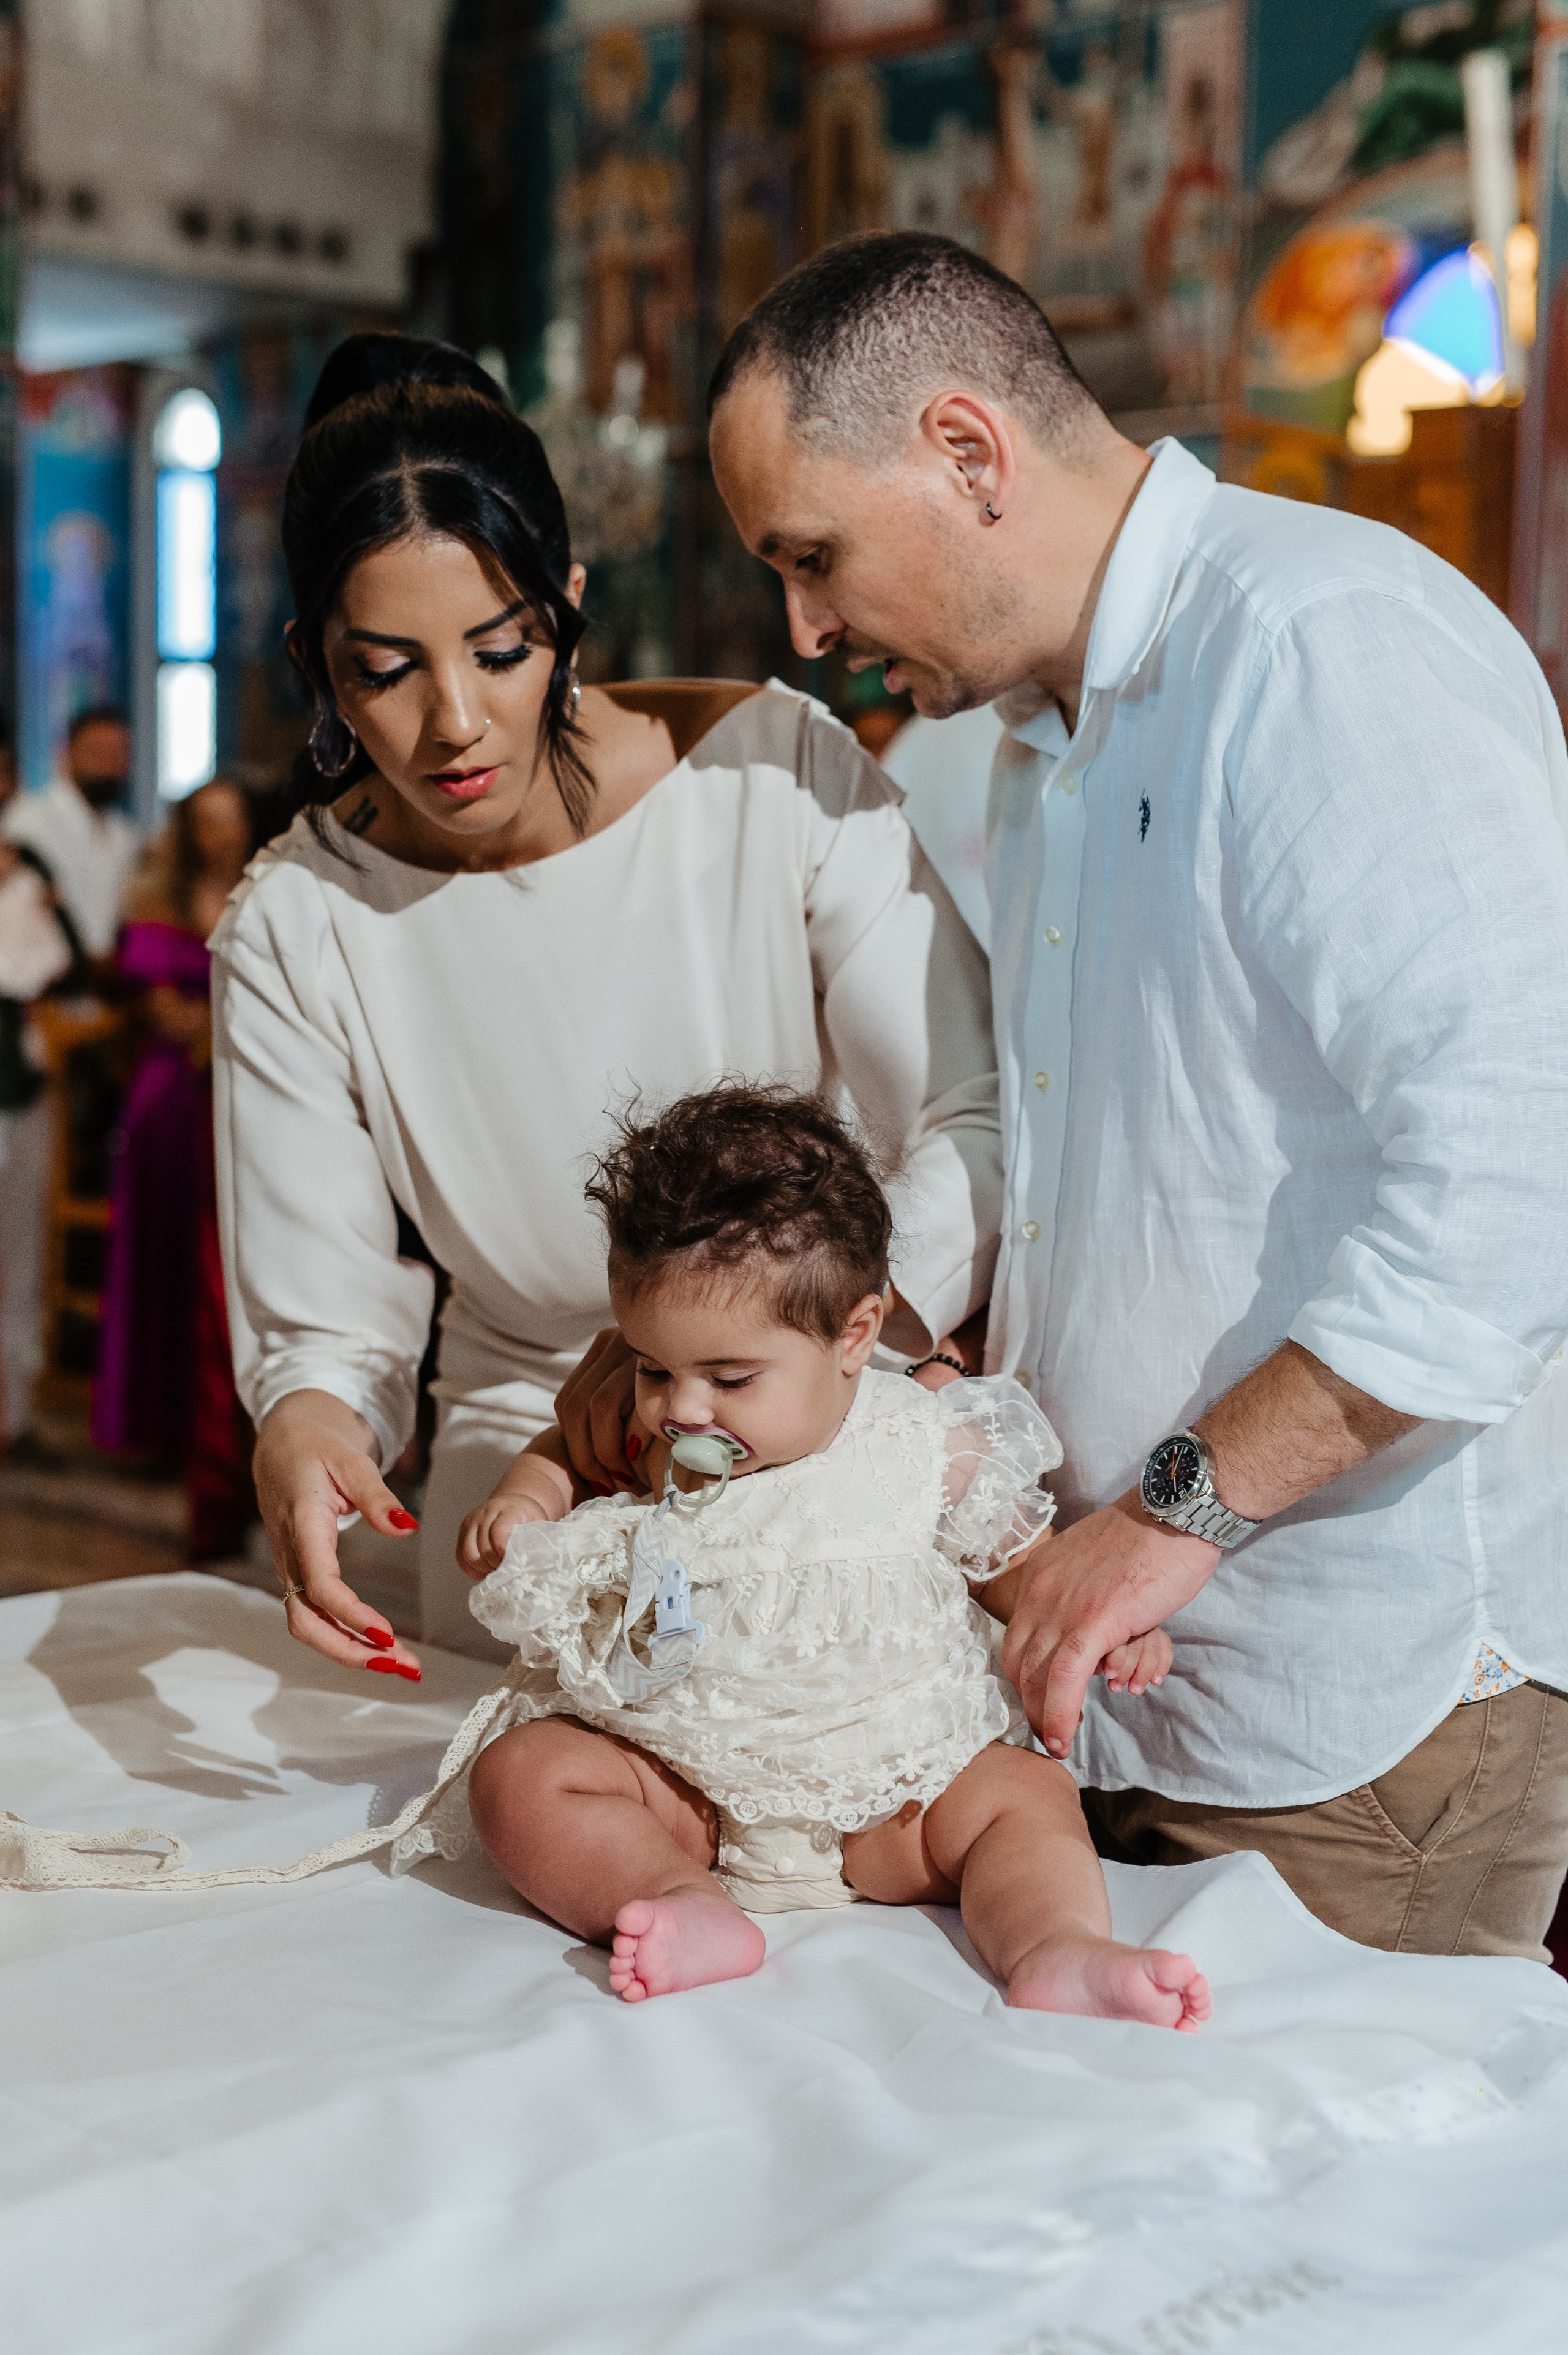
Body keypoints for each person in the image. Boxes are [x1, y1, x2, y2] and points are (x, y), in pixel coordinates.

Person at [703, 230, 1568, 1962]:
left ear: (966, 451)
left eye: (813, 556)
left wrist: (1173, 1511)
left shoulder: (1321, 644)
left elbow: (1514, 1177)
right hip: (1120, 1671)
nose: (806, 628)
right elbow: (1096, 1167)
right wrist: (848, 1328)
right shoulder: (1047, 739)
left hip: (1352, 1708)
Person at [212, 333, 1001, 1666]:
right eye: (385, 670)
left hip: (816, 1404)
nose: (456, 721)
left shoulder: (769, 776)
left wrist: (777, 1336)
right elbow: (323, 1327)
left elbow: (971, 1114)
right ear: (315, 661)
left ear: (568, 605)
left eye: (501, 648)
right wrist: (308, 1417)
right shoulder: (297, 920)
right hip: (531, 1442)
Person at [443, 1083, 1205, 2024]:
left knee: (1026, 1794)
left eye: (730, 1378)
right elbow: (563, 1454)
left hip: (895, 1800)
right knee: (519, 1774)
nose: (682, 1409)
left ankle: (1054, 1947)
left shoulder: (924, 1441)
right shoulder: (657, 1442)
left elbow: (1022, 1571)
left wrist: (1106, 1624)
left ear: (855, 1335)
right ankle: (682, 1900)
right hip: (689, 1790)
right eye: (652, 1368)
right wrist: (524, 1502)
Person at [92, 783, 255, 1525]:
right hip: (172, 1097)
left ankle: (225, 1429)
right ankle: (160, 1425)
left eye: (234, 820)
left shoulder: (267, 889)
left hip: (241, 1093)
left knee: (226, 1268)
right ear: (189, 830)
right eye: (210, 822)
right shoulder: (157, 898)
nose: (224, 835)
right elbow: (165, 1011)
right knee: (164, 1255)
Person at [0, 833, 86, 1461]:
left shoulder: (28, 863)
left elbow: (75, 963)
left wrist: (50, 904)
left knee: (21, 1253)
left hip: (23, 1089)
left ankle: (14, 1414)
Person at [2, 708, 140, 962]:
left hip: (111, 971)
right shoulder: (27, 819)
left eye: (117, 753)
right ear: (68, 753)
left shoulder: (123, 832)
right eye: (97, 751)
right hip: (47, 972)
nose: (108, 763)